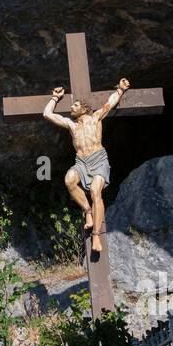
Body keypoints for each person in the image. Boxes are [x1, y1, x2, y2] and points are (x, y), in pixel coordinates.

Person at [42, 79, 130, 254]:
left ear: (84, 108)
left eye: (75, 105)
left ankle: (96, 235)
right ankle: (87, 210)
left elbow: (110, 103)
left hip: (98, 160)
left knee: (96, 192)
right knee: (69, 180)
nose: (72, 108)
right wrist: (54, 98)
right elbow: (47, 114)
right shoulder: (71, 125)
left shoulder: (95, 117)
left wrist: (120, 89)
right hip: (81, 162)